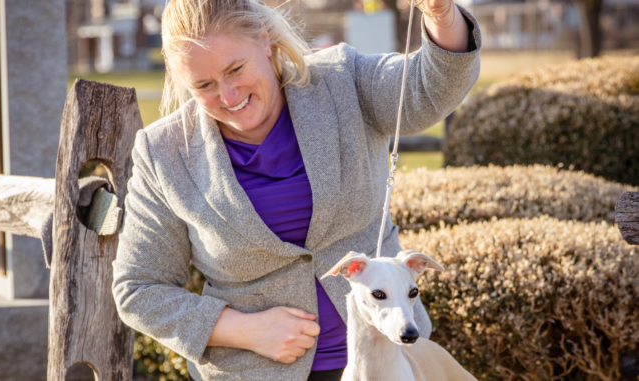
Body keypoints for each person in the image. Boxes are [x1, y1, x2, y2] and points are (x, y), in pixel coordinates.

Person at [112, 0, 481, 380]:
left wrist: (441, 14)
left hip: (387, 366)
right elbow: (139, 287)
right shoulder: (163, 153)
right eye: (203, 85)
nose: (227, 95)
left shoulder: (342, 80)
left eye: (235, 69)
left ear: (264, 38)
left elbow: (431, 87)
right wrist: (242, 329)